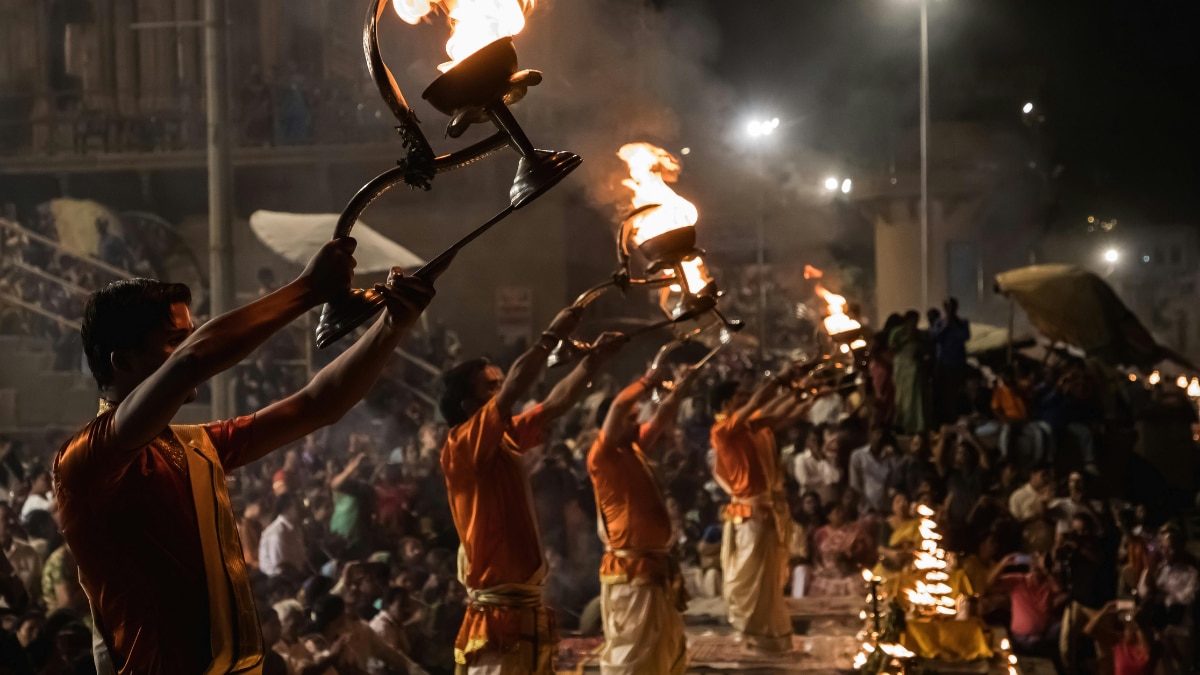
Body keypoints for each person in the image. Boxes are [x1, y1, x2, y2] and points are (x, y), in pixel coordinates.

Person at [54, 241, 434, 674]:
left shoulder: (195, 445)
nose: (191, 345)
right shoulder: (85, 460)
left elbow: (318, 403)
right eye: (174, 340)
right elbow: (192, 362)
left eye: (190, 336)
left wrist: (391, 326)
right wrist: (306, 290)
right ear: (122, 361)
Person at [436, 305, 622, 674]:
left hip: (522, 604)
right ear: (469, 406)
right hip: (499, 610)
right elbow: (520, 385)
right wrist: (551, 334)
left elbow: (554, 405)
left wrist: (593, 362)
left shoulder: (505, 435)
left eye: (501, 382)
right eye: (492, 386)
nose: (503, 390)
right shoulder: (462, 444)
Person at [588, 361, 697, 674]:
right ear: (612, 424)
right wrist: (646, 381)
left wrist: (680, 388)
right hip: (630, 570)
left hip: (652, 566)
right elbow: (621, 403)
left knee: (657, 643)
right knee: (633, 651)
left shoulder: (632, 447)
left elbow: (662, 417)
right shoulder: (602, 455)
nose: (638, 424)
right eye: (631, 420)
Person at [709, 372, 812, 652]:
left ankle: (767, 637)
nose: (747, 401)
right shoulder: (722, 431)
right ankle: (752, 633)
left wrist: (803, 391)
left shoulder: (750, 427)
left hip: (765, 510)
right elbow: (760, 402)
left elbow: (780, 414)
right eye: (741, 397)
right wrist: (781, 380)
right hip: (749, 513)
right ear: (728, 403)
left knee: (767, 579)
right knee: (751, 578)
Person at [930, 297, 970, 426]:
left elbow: (965, 336)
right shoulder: (939, 323)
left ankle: (957, 416)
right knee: (944, 393)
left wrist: (954, 326)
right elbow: (935, 337)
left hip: (957, 362)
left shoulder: (962, 322)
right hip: (943, 363)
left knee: (958, 392)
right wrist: (946, 326)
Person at [889, 310, 927, 434]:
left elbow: (923, 349)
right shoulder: (897, 332)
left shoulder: (919, 334)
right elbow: (892, 348)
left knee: (914, 398)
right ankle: (901, 424)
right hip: (900, 367)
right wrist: (906, 339)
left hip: (913, 367)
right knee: (900, 397)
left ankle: (914, 426)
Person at [259, 493, 310, 579]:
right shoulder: (277, 533)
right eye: (297, 505)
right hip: (280, 581)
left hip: (297, 575)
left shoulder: (296, 527)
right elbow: (282, 568)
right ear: (286, 510)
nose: (302, 508)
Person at [847, 426, 896, 515]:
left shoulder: (890, 456)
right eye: (877, 433)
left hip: (885, 510)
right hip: (866, 509)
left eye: (882, 434)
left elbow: (892, 483)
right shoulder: (858, 455)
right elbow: (855, 485)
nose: (879, 437)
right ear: (870, 435)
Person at [791, 425, 841, 506]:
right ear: (807, 442)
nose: (817, 444)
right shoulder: (801, 459)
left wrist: (823, 459)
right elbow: (804, 481)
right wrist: (825, 479)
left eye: (819, 441)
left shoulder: (829, 457)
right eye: (813, 440)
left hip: (830, 500)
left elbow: (836, 478)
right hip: (814, 504)